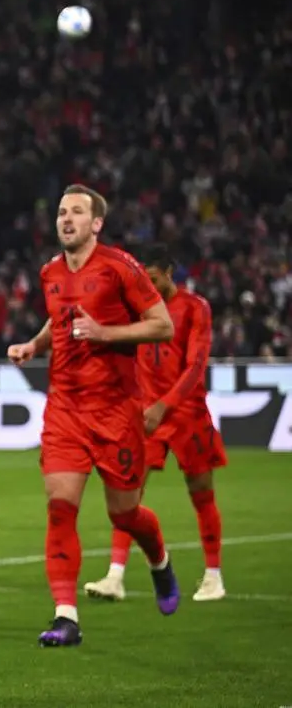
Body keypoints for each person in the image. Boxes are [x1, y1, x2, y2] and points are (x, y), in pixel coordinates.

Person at [7, 184, 179, 648]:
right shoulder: (49, 272)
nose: (66, 219)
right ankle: (67, 617)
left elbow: (164, 323)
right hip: (65, 407)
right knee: (60, 509)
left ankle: (160, 561)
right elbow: (57, 320)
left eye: (77, 212)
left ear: (96, 224)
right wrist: (33, 344)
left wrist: (106, 333)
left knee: (124, 515)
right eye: (62, 212)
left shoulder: (121, 266)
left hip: (115, 410)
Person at [85, 244, 227, 603]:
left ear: (168, 272)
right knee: (128, 499)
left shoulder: (195, 308)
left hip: (187, 414)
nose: (146, 286)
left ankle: (213, 576)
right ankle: (115, 577)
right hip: (145, 416)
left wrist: (165, 405)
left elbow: (196, 366)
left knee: (201, 493)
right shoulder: (135, 309)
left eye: (152, 279)